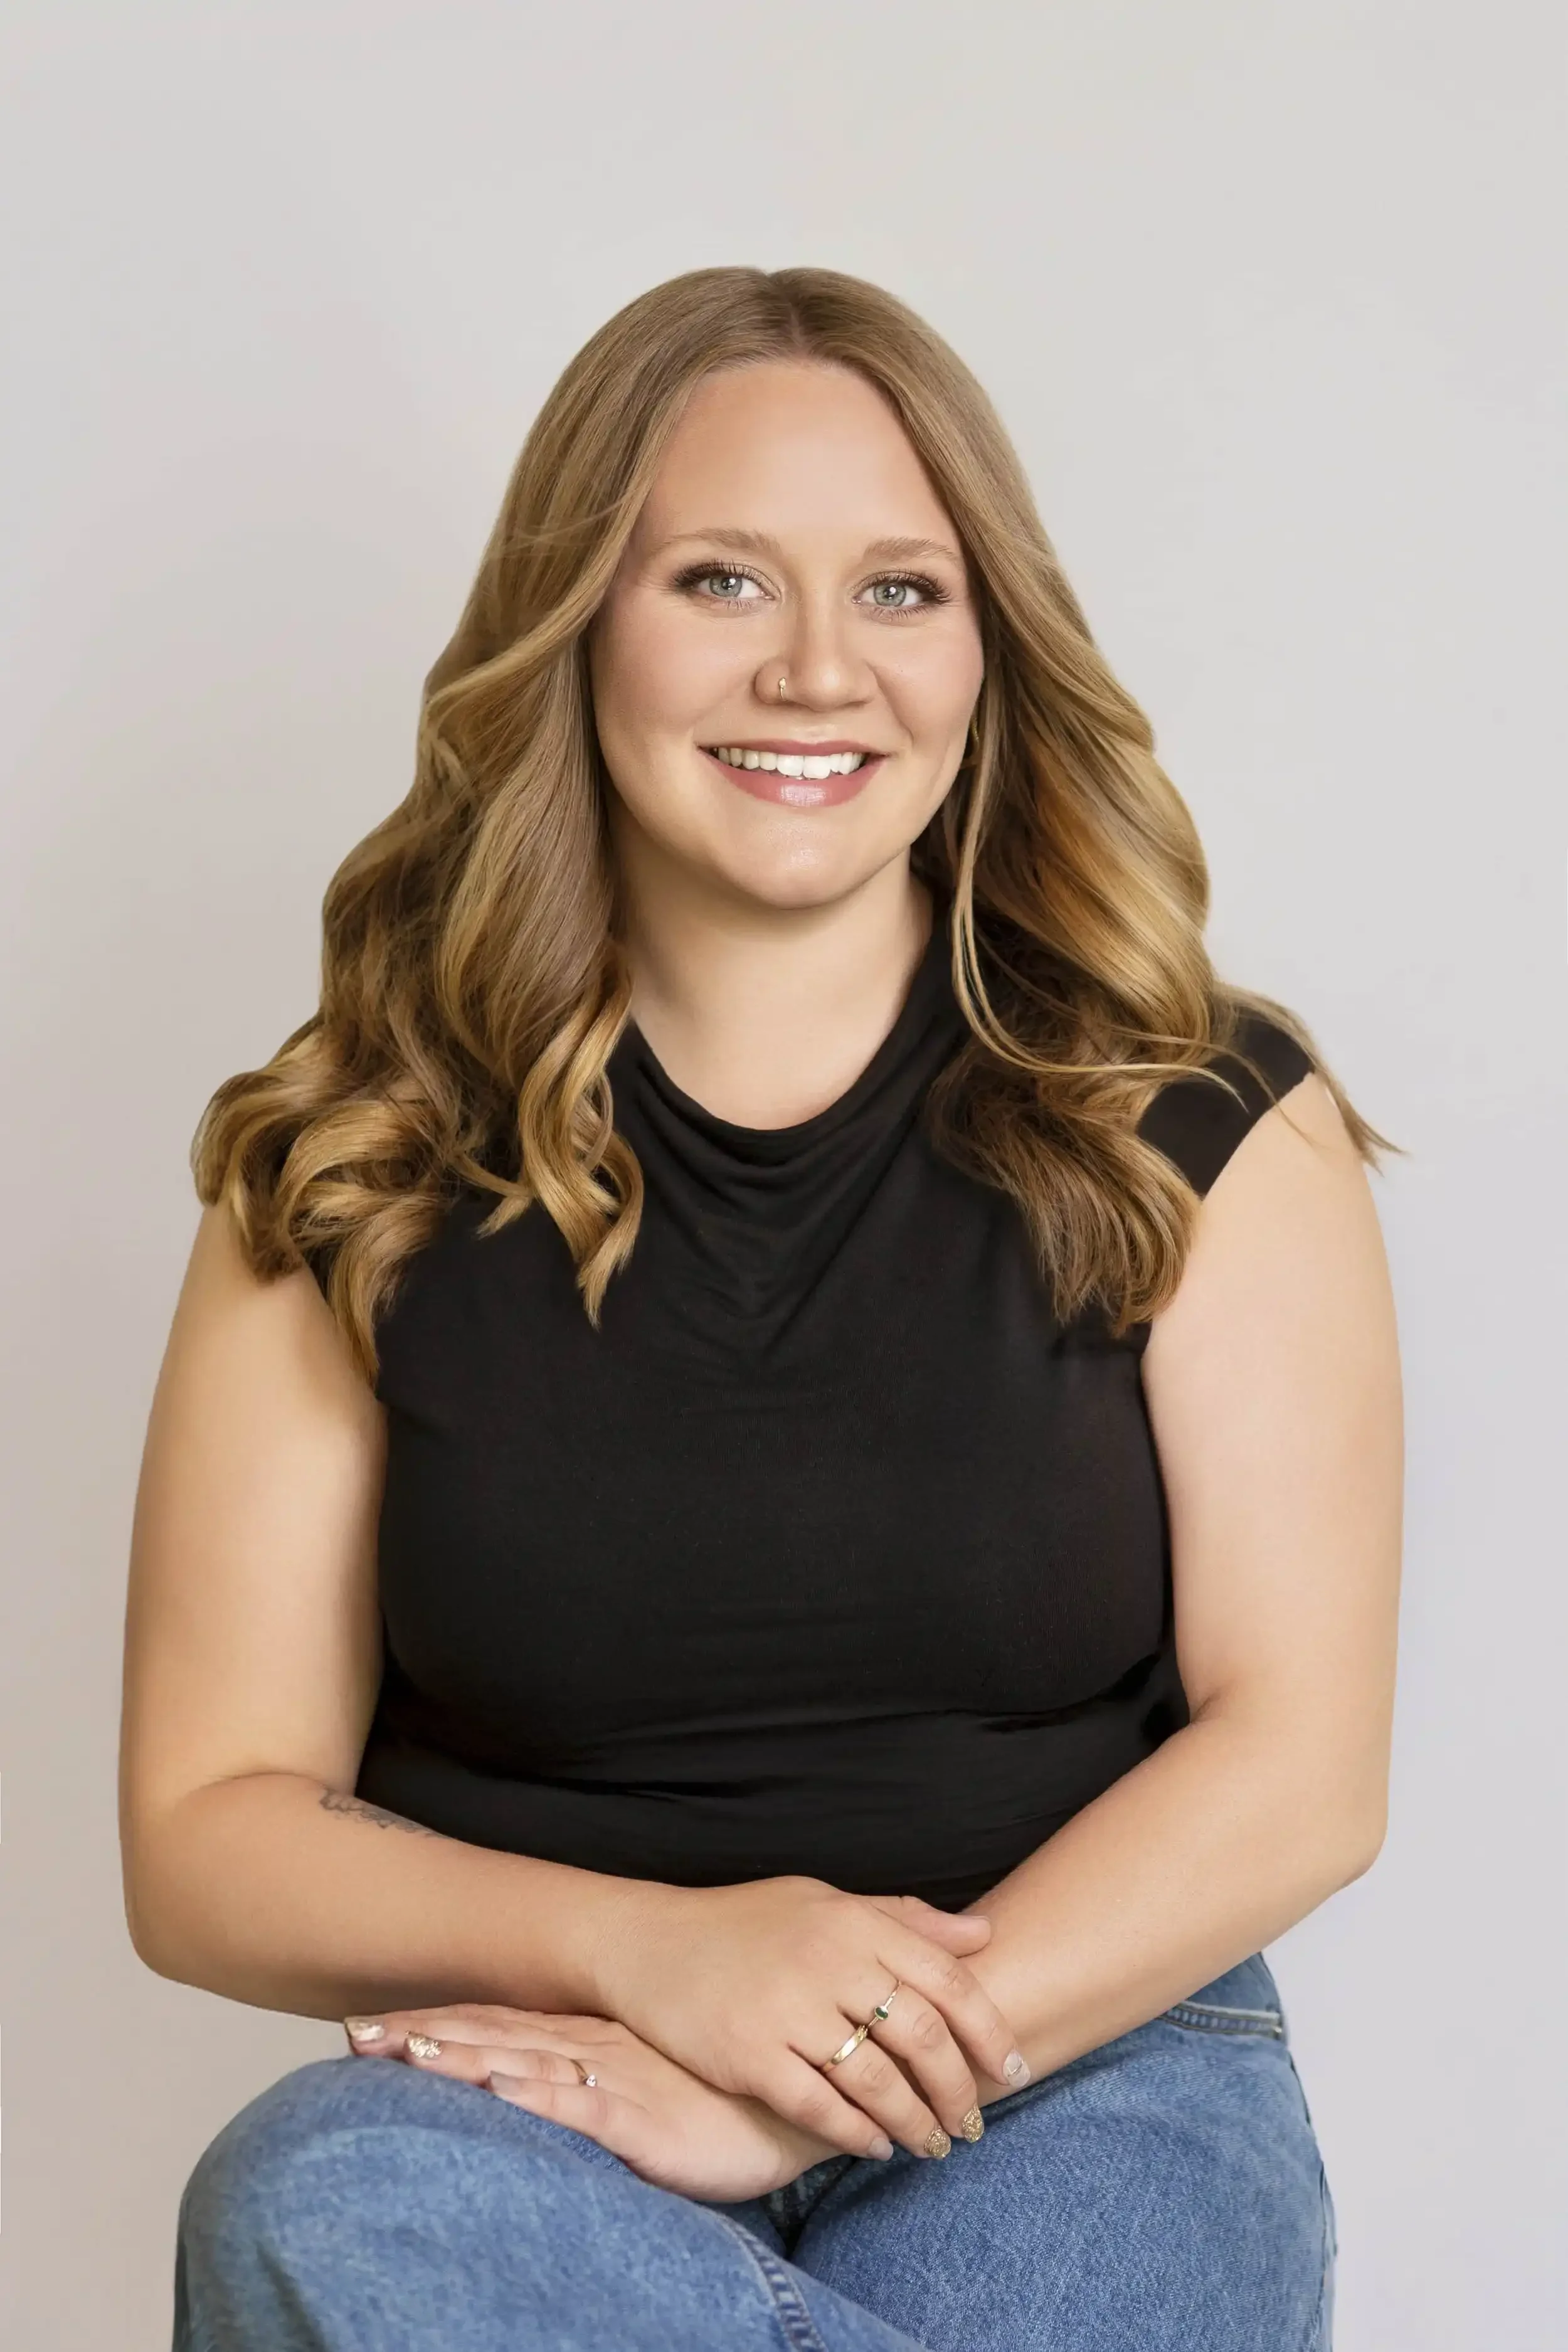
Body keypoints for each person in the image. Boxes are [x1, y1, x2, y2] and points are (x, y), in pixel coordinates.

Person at [119, 264, 1403, 2352]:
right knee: (310, 2213)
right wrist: (662, 1961)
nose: (819, 670)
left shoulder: (1197, 1117)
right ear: (577, 624)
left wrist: (810, 2063)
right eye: (719, 579)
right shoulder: (353, 1150)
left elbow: (1298, 1762)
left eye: (901, 590)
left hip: (1078, 2056)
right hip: (534, 2081)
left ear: (989, 649)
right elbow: (207, 1828)